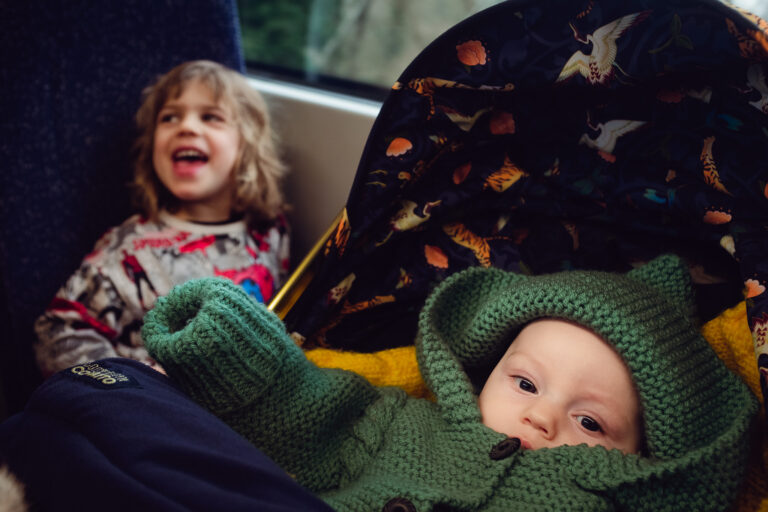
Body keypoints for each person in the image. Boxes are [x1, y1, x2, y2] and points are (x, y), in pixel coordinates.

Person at [141, 254, 757, 511]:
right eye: (524, 383)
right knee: (112, 409)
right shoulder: (401, 424)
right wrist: (222, 339)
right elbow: (303, 412)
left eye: (591, 422)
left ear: (644, 458)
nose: (543, 418)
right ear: (486, 371)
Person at [34, 60, 289, 376]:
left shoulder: (269, 231)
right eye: (169, 118)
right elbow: (58, 329)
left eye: (211, 117)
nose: (187, 127)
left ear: (246, 147)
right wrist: (132, 385)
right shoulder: (129, 249)